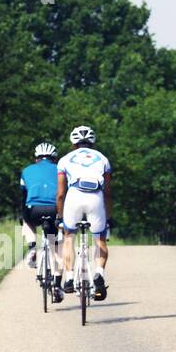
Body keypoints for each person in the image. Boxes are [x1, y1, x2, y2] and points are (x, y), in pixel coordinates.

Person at [55, 126, 112, 303]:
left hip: (74, 197)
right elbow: (108, 192)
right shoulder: (103, 159)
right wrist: (109, 216)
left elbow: (60, 193)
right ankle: (99, 274)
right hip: (95, 197)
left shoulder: (64, 160)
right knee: (99, 240)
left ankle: (70, 277)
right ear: (93, 143)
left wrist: (59, 216)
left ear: (73, 143)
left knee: (69, 237)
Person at [19, 142, 60, 282]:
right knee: (55, 245)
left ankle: (32, 247)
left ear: (36, 158)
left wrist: (23, 215)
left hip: (33, 209)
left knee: (26, 221)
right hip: (55, 208)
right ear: (54, 158)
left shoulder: (26, 171)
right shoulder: (61, 169)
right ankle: (56, 281)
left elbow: (23, 195)